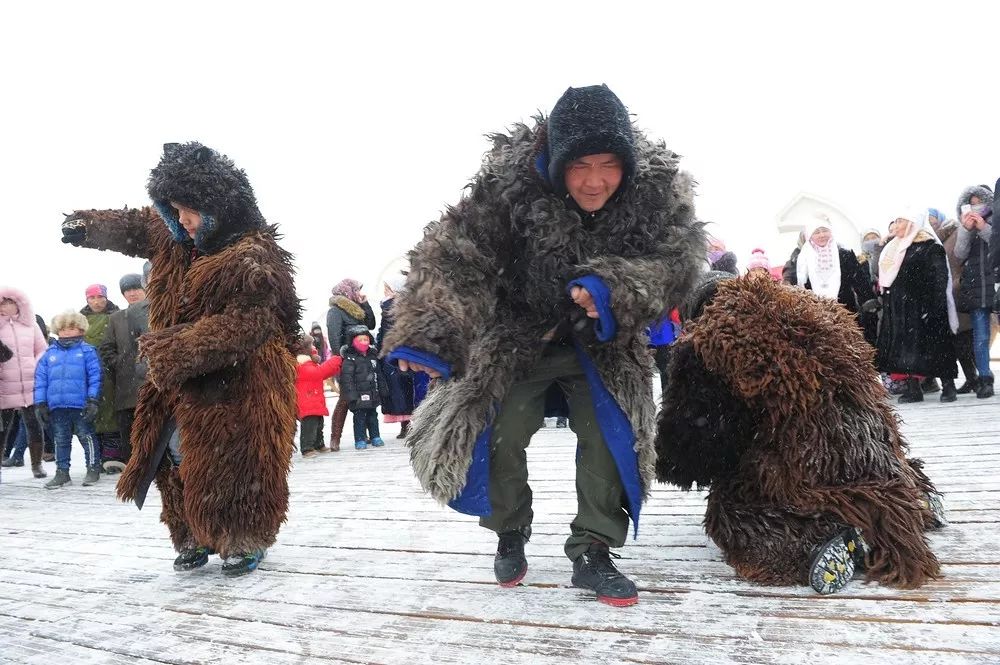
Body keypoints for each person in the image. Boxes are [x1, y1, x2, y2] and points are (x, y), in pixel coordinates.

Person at [383, 85, 704, 607]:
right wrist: (429, 331)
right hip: (517, 335)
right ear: (556, 163)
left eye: (608, 165)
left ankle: (593, 549)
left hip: (603, 344)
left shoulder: (656, 193)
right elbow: (456, 255)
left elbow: (679, 262)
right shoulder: (509, 187)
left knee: (610, 433)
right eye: (580, 166)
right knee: (498, 432)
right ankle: (510, 529)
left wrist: (612, 287)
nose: (595, 181)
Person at [60, 141, 300, 576]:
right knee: (172, 457)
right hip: (177, 377)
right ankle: (190, 534)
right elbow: (135, 225)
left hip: (243, 379)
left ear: (220, 205)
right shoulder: (172, 239)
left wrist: (177, 349)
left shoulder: (252, 254)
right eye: (175, 208)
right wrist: (90, 226)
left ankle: (243, 537)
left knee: (239, 457)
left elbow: (250, 323)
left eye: (190, 208)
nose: (183, 219)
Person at [655, 272, 944, 594]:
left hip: (807, 464)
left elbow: (700, 439)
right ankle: (910, 497)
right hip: (877, 452)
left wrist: (665, 459)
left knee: (734, 514)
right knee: (872, 467)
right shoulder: (821, 313)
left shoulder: (710, 341)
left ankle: (815, 541)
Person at [876, 209, 958, 403]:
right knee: (907, 349)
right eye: (894, 222)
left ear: (912, 223)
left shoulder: (929, 246)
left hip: (925, 305)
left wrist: (934, 306)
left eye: (900, 221)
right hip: (901, 308)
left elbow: (939, 279)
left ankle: (948, 386)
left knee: (937, 345)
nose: (895, 226)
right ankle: (913, 388)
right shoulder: (893, 247)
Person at [36, 311, 103, 489]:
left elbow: (95, 377)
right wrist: (41, 403)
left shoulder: (87, 351)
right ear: (58, 330)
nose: (67, 331)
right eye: (64, 328)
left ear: (81, 329)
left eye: (72, 327)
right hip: (56, 406)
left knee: (86, 435)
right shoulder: (49, 353)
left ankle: (93, 468)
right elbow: (41, 380)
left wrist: (93, 400)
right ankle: (62, 472)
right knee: (61, 439)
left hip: (80, 404)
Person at [99, 272, 150, 471]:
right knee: (128, 432)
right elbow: (106, 348)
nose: (132, 293)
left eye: (136, 288)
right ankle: (133, 469)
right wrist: (120, 362)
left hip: (152, 383)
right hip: (126, 385)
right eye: (127, 290)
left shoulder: (155, 312)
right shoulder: (117, 318)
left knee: (154, 431)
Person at [0, 287, 49, 480]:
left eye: (10, 302)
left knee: (34, 425)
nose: (6, 306)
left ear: (19, 304)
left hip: (30, 382)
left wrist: (34, 367)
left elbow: (42, 349)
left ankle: (37, 465)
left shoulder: (31, 325)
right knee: (2, 429)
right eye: (3, 303)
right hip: (4, 385)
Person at [931, 210, 979, 396]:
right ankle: (971, 378)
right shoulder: (933, 239)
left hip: (958, 292)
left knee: (964, 339)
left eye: (933, 218)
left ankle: (974, 377)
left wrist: (960, 282)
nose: (931, 222)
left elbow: (962, 257)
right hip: (944, 294)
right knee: (955, 341)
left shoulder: (956, 232)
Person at [954, 186, 995, 399]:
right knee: (980, 336)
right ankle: (985, 377)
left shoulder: (995, 222)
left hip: (995, 283)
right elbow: (959, 253)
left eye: (981, 201)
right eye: (973, 202)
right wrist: (966, 229)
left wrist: (985, 227)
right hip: (977, 285)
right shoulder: (965, 225)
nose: (977, 206)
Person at [326, 278, 375, 449]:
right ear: (349, 290)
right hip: (347, 360)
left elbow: (371, 325)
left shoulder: (358, 309)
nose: (359, 293)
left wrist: (366, 304)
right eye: (357, 290)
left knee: (365, 394)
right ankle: (335, 438)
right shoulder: (335, 311)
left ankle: (368, 434)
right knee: (346, 398)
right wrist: (342, 359)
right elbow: (334, 338)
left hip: (362, 358)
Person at [794, 216, 874, 316]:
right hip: (815, 313)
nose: (822, 235)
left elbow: (859, 279)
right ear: (810, 236)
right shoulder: (803, 258)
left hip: (845, 308)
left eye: (825, 230)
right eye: (817, 232)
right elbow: (800, 285)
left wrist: (868, 300)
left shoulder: (844, 254)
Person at [376, 274, 416, 438]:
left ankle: (406, 424)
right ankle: (405, 423)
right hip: (393, 351)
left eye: (387, 287)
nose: (385, 290)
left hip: (395, 351)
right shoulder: (393, 304)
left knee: (401, 388)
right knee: (400, 389)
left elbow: (390, 327)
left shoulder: (392, 304)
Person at [294, 333, 342, 457]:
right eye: (311, 345)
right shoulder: (301, 365)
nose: (314, 347)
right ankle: (307, 448)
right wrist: (336, 360)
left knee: (318, 424)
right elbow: (319, 373)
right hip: (307, 401)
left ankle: (318, 444)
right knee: (309, 426)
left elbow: (321, 373)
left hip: (314, 400)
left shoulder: (310, 363)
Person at [341, 325, 387, 450]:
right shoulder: (350, 358)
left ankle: (375, 436)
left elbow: (379, 374)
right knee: (359, 418)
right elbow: (347, 379)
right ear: (353, 342)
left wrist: (383, 389)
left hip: (372, 393)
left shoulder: (373, 356)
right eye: (360, 340)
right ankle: (360, 439)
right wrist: (352, 396)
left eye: (366, 339)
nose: (364, 342)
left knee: (373, 416)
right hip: (358, 395)